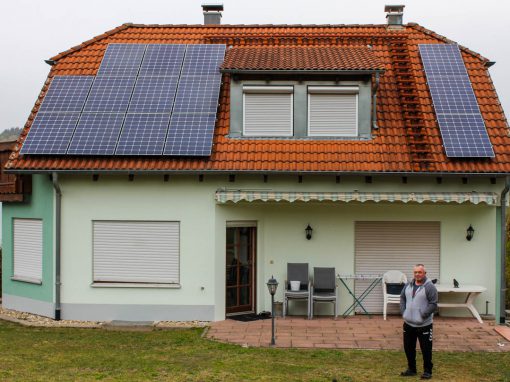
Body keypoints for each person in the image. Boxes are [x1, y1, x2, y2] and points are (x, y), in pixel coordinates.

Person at [400, 264, 438, 380]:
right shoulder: (408, 285)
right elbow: (402, 298)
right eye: (415, 272)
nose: (417, 274)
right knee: (408, 348)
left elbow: (433, 304)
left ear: (424, 273)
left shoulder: (430, 287)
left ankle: (427, 371)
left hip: (424, 325)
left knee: (426, 349)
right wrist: (403, 312)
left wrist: (423, 315)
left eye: (420, 272)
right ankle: (411, 369)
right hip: (408, 324)